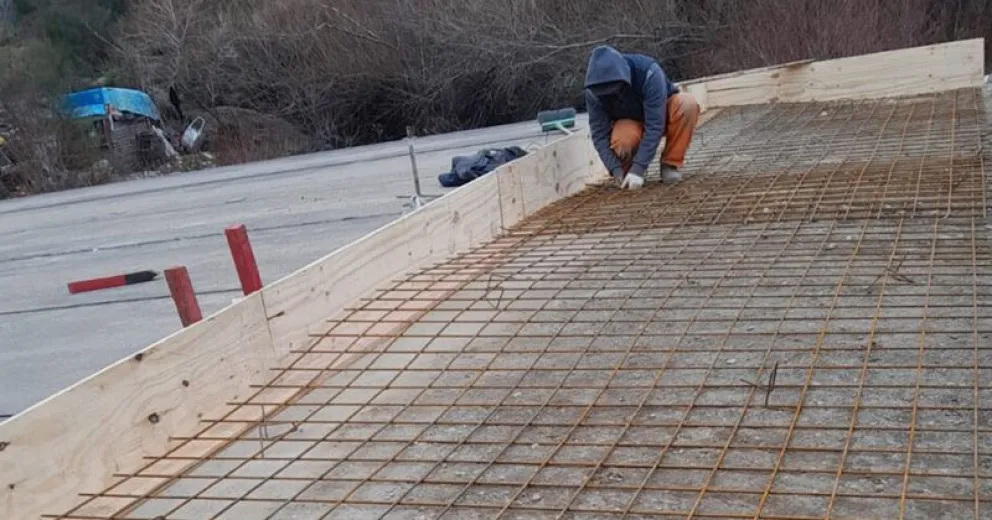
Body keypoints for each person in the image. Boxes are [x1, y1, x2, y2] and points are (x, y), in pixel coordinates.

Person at [584, 45, 700, 190]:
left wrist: (639, 168)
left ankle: (670, 164)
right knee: (623, 138)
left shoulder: (648, 73)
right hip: (631, 124)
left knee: (687, 104)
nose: (611, 96)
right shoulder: (593, 92)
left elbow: (655, 125)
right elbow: (599, 135)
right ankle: (627, 171)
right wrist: (615, 169)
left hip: (662, 116)